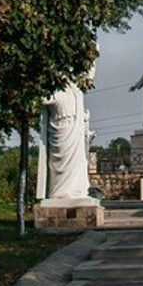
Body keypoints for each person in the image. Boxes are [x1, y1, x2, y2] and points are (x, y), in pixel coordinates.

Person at [44, 66, 92, 199]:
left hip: (75, 130)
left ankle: (77, 190)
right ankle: (60, 192)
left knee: (79, 162)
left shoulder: (76, 93)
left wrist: (93, 58)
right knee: (61, 164)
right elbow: (43, 99)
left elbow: (88, 76)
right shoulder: (56, 93)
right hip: (61, 129)